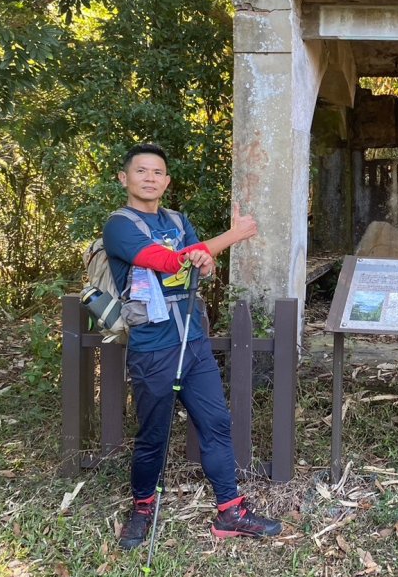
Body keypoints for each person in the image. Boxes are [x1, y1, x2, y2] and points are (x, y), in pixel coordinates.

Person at [103, 142, 282, 549]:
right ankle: (143, 508)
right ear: (124, 178)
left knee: (216, 424)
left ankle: (230, 511)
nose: (150, 179)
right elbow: (168, 262)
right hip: (152, 344)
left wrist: (208, 259)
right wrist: (232, 236)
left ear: (167, 180)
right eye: (141, 171)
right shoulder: (120, 225)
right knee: (153, 434)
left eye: (158, 172)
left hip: (192, 340)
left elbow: (202, 263)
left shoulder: (178, 221)